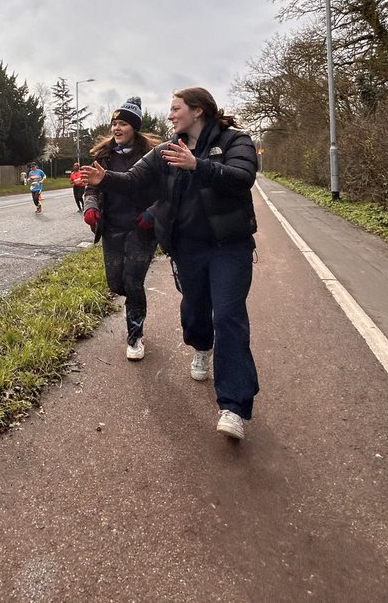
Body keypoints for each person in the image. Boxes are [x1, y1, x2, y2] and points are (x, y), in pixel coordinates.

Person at [83, 87, 259, 441]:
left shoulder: (235, 140)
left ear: (197, 111)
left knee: (228, 317)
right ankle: (201, 347)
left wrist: (199, 166)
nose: (170, 115)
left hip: (230, 246)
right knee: (195, 312)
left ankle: (234, 406)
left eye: (176, 109)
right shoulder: (165, 150)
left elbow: (243, 178)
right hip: (188, 247)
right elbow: (133, 179)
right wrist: (105, 180)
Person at [82, 97, 162, 360]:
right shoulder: (103, 156)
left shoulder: (151, 156)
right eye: (114, 123)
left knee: (132, 280)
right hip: (113, 227)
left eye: (123, 124)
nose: (117, 128)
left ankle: (135, 336)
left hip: (142, 229)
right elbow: (91, 187)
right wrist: (90, 207)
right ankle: (135, 301)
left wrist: (153, 212)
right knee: (116, 284)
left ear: (134, 128)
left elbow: (168, 191)